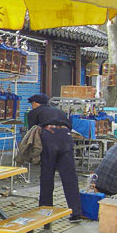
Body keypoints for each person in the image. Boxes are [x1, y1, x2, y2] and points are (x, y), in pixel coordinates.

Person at [26, 93, 82, 222]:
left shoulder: (35, 112)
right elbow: (69, 125)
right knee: (69, 176)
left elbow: (32, 129)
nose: (32, 106)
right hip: (66, 136)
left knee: (47, 173)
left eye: (32, 103)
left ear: (36, 103)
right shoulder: (58, 111)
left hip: (49, 136)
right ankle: (76, 212)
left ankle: (45, 209)